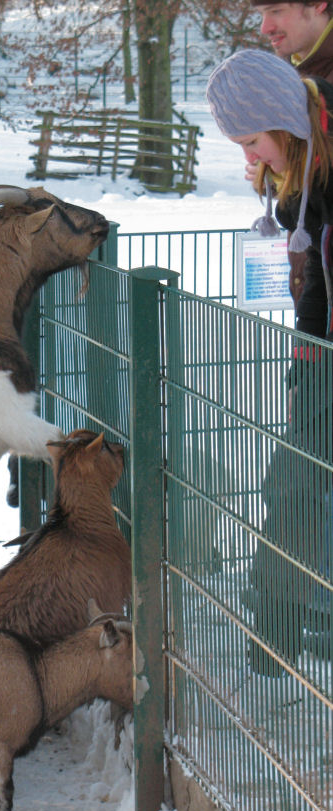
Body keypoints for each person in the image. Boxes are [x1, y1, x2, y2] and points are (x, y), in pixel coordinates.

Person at [207, 49, 333, 676]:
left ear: (286, 121)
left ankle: (284, 637)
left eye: (253, 141)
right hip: (323, 365)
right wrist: (308, 355)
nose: (250, 157)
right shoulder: (307, 178)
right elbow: (317, 279)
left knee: (301, 491)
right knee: (293, 488)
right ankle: (276, 641)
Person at [250, 2, 333, 300]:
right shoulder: (292, 74)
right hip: (315, 296)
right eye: (261, 14)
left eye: (275, 10)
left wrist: (289, 169)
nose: (265, 28)